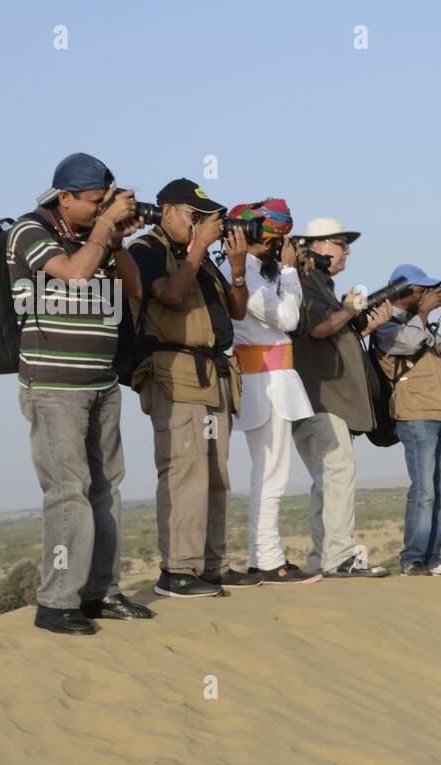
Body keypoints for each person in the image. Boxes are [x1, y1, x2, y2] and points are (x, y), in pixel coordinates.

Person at [7, 152, 154, 635]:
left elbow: (131, 288)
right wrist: (101, 232)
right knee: (68, 493)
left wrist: (116, 239)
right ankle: (55, 603)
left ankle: (100, 592)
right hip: (53, 388)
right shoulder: (29, 232)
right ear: (64, 198)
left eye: (104, 202)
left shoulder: (95, 236)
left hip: (101, 384)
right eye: (94, 203)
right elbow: (73, 273)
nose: (100, 209)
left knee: (106, 489)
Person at [128, 179, 252, 598]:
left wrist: (236, 269)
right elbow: (171, 297)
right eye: (194, 216)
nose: (201, 224)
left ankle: (212, 564)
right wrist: (199, 246)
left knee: (216, 473)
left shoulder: (196, 258)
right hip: (175, 373)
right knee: (186, 471)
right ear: (167, 212)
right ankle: (177, 570)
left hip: (215, 375)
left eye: (206, 218)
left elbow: (236, 311)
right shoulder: (146, 251)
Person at [218, 199, 320, 583]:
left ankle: (267, 554)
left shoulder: (261, 273)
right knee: (269, 477)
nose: (282, 247)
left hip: (272, 379)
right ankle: (266, 558)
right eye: (278, 240)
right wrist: (291, 272)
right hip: (265, 381)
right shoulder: (248, 277)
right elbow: (289, 318)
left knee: (271, 475)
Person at [289, 218, 392, 578]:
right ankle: (339, 557)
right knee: (337, 471)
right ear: (315, 246)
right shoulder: (305, 280)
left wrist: (363, 324)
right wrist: (350, 308)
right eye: (339, 243)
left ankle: (324, 558)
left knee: (328, 478)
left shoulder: (319, 283)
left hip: (321, 395)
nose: (347, 250)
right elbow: (317, 329)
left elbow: (330, 334)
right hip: (320, 396)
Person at [373, 264, 441, 576]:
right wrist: (422, 315)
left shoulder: (421, 325)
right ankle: (413, 559)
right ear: (403, 291)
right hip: (415, 415)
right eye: (419, 290)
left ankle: (433, 558)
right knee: (424, 488)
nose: (425, 294)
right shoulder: (386, 325)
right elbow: (408, 344)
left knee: (440, 491)